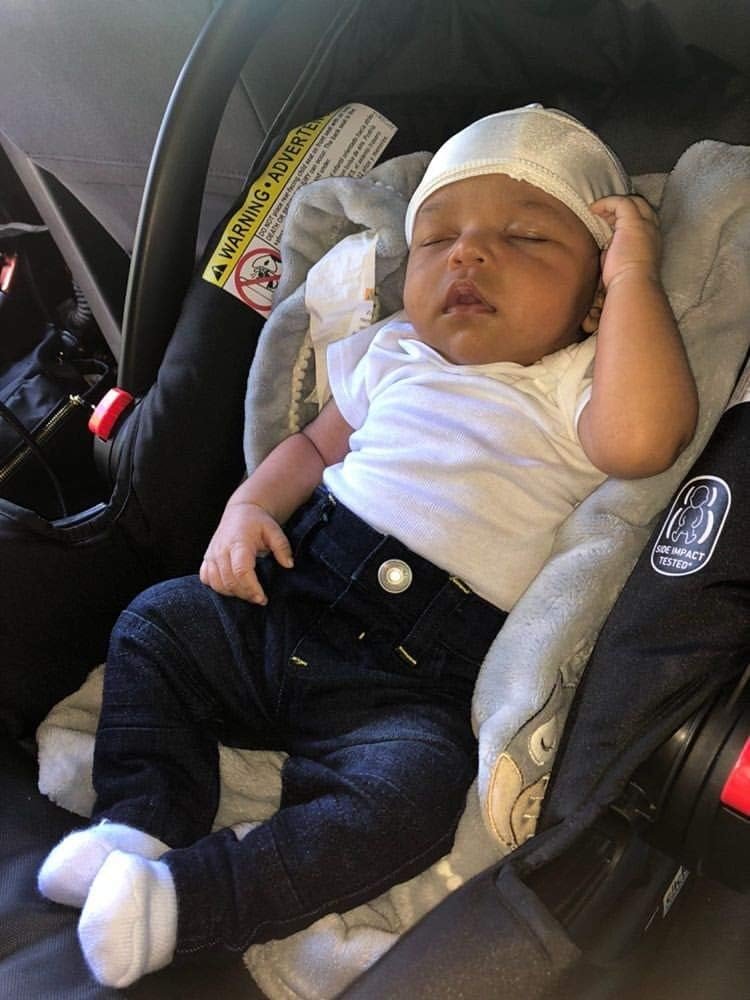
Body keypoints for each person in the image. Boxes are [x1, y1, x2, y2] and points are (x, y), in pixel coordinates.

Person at [37, 105, 698, 988]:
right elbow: (311, 448)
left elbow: (647, 440)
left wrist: (638, 275)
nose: (468, 256)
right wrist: (246, 509)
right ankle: (141, 822)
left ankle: (190, 900)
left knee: (413, 795)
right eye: (438, 239)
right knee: (159, 623)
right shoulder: (393, 350)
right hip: (288, 595)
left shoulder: (580, 381)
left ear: (593, 305)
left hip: (410, 682)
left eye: (527, 237)